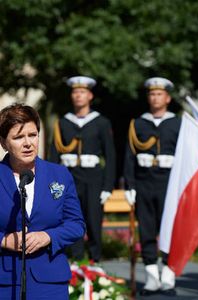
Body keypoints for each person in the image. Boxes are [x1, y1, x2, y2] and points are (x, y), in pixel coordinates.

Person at [0, 104, 85, 300]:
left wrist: (48, 236)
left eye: (33, 134)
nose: (28, 143)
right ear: (4, 143)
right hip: (5, 281)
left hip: (50, 281)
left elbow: (76, 224)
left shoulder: (60, 174)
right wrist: (5, 240)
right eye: (18, 137)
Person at [124, 77, 181, 295]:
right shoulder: (138, 123)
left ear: (167, 98)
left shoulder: (178, 123)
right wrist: (130, 184)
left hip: (169, 183)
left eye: (159, 94)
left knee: (169, 229)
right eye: (152, 94)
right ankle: (151, 278)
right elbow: (130, 156)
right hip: (144, 182)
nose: (155, 97)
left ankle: (168, 276)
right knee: (146, 229)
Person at [50, 76, 116, 263]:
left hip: (93, 177)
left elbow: (110, 155)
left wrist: (107, 187)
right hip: (69, 177)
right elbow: (54, 154)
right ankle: (77, 261)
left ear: (90, 96)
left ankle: (95, 262)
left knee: (94, 221)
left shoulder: (101, 122)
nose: (78, 96)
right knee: (71, 219)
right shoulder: (63, 122)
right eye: (75, 92)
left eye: (82, 92)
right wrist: (53, 184)